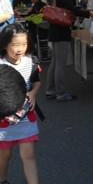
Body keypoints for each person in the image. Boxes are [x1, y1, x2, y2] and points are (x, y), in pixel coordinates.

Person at [46, 0, 93, 102]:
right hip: (61, 31)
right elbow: (73, 9)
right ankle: (60, 92)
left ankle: (50, 89)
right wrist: (89, 13)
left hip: (55, 30)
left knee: (55, 62)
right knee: (60, 63)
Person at [0, 24, 41, 184]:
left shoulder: (31, 62)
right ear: (5, 44)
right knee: (5, 155)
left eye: (23, 44)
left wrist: (33, 93)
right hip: (3, 119)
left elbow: (36, 82)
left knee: (29, 155)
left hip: (26, 116)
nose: (20, 49)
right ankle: (2, 179)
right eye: (15, 45)